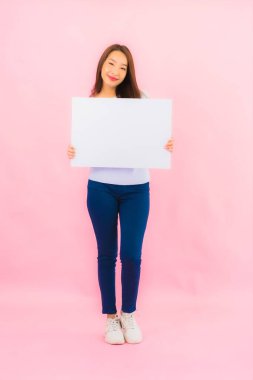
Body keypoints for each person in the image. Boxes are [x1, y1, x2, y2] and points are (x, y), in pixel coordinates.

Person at [67, 44, 174, 345]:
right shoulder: (89, 106)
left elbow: (157, 137)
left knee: (131, 255)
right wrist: (74, 150)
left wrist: (165, 144)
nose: (115, 70)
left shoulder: (141, 100)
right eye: (111, 63)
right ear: (101, 65)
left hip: (136, 190)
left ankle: (128, 313)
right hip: (100, 187)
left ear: (129, 73)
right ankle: (110, 318)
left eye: (123, 67)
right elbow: (83, 146)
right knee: (106, 255)